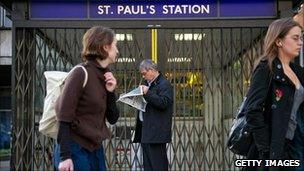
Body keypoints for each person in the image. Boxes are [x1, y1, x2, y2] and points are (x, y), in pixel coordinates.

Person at [54, 26, 120, 171]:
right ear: (105, 47)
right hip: (74, 147)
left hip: (95, 148)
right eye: (115, 45)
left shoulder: (104, 76)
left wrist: (110, 92)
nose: (117, 50)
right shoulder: (80, 73)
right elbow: (63, 116)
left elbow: (113, 118)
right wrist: (65, 157)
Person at [244, 18, 303, 171]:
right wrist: (266, 149)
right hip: (278, 148)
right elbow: (252, 110)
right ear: (279, 41)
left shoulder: (298, 71)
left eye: (301, 37)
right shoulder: (266, 69)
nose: (300, 43)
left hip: (298, 143)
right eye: (295, 38)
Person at [133, 59, 174, 171]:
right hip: (146, 132)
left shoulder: (164, 84)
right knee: (148, 166)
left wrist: (148, 93)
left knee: (158, 165)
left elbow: (164, 103)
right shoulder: (147, 84)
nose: (143, 77)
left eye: (144, 73)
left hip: (156, 134)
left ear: (151, 70)